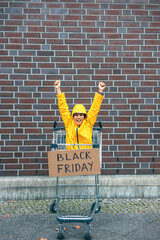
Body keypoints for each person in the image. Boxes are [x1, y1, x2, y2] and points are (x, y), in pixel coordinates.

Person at [54, 80, 106, 149]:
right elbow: (63, 108)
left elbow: (95, 108)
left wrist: (100, 91)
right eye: (76, 115)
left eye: (81, 115)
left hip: (86, 157)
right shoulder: (69, 123)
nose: (78, 117)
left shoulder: (88, 123)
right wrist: (58, 89)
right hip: (71, 157)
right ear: (73, 116)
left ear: (84, 116)